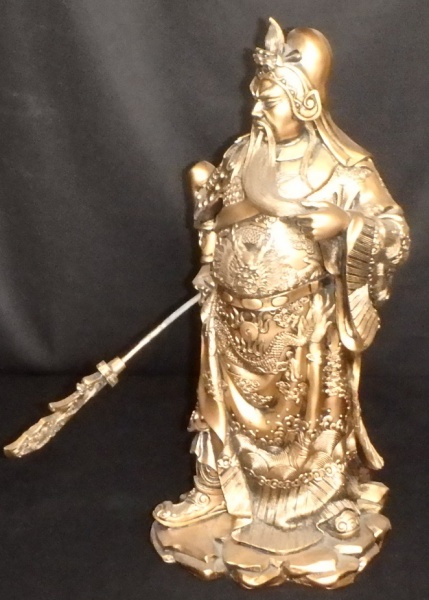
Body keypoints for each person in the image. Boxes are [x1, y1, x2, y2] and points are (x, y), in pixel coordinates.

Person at [152, 19, 409, 588]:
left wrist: (346, 224)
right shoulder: (243, 154)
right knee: (218, 409)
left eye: (270, 100)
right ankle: (216, 489)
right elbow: (214, 215)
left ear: (305, 102)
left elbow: (394, 230)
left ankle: (327, 500)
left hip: (301, 326)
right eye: (257, 97)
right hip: (231, 319)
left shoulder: (342, 166)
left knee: (317, 413)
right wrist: (209, 259)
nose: (257, 110)